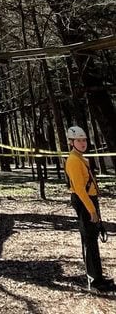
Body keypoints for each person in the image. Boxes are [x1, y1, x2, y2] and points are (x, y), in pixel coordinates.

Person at [65, 125, 115, 293]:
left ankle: (97, 277)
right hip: (84, 201)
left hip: (89, 200)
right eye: (79, 140)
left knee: (92, 238)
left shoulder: (80, 158)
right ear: (72, 142)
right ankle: (95, 282)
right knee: (89, 240)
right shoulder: (73, 160)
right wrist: (91, 210)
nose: (83, 143)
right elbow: (79, 189)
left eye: (84, 140)